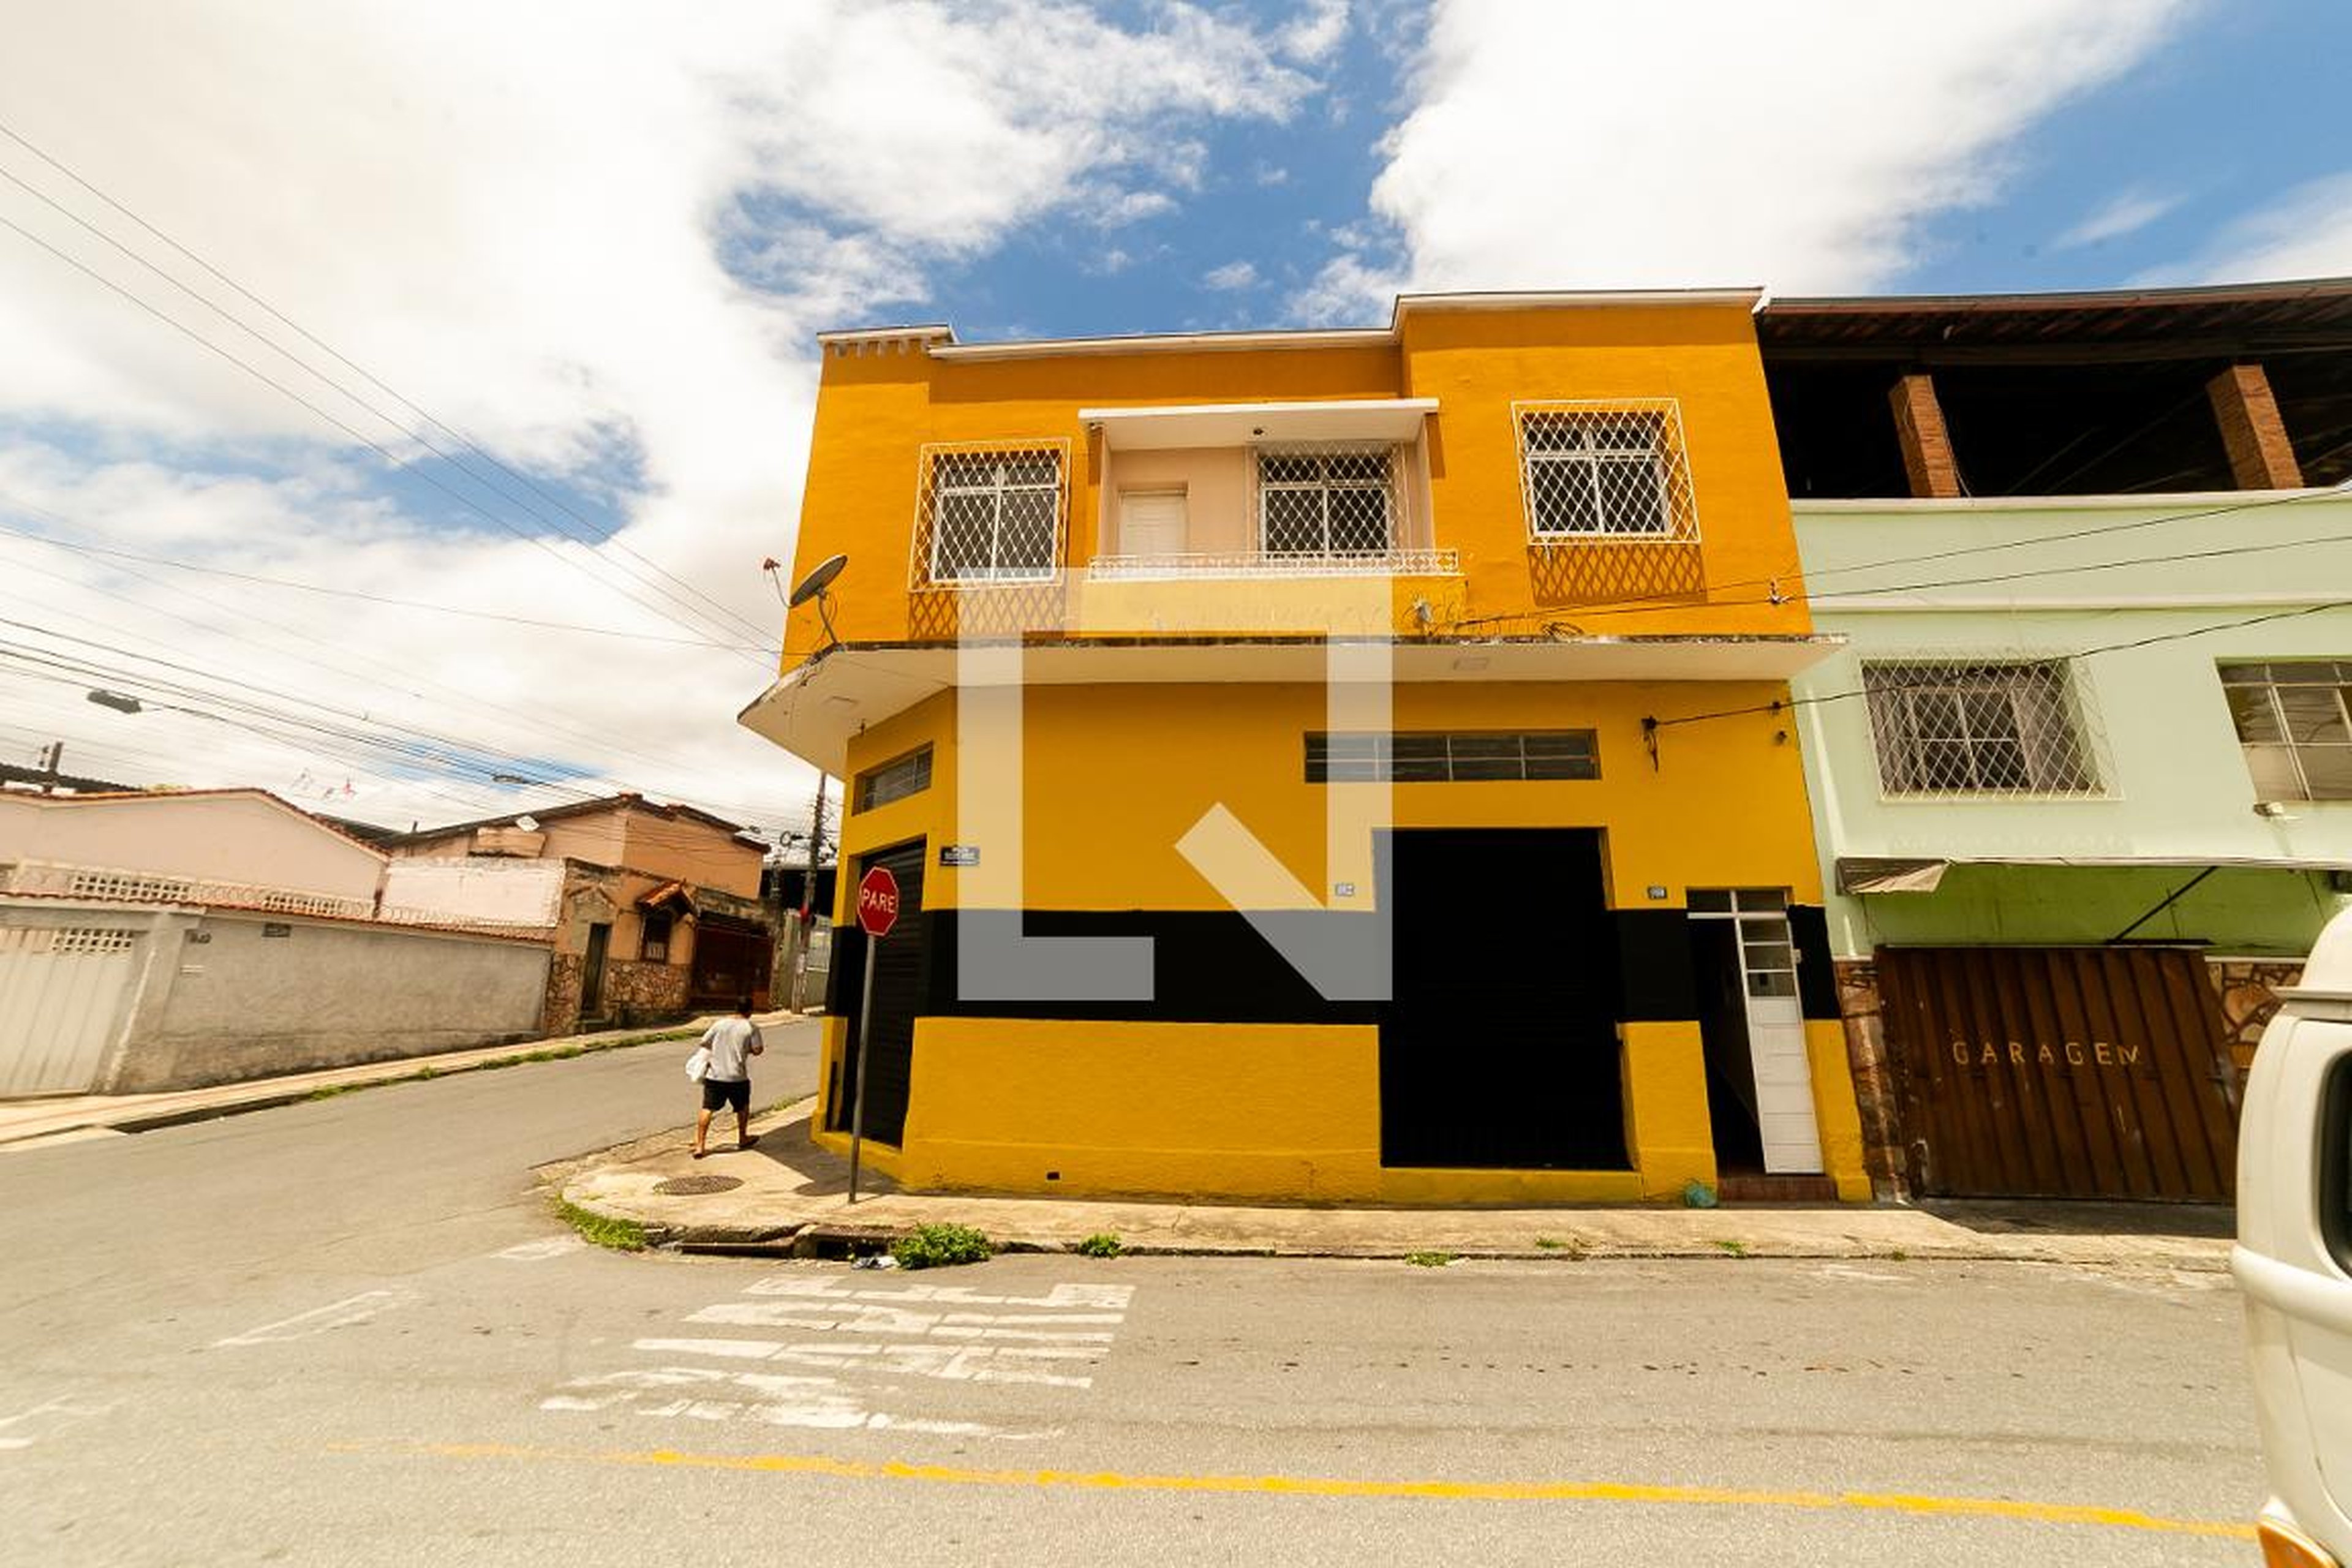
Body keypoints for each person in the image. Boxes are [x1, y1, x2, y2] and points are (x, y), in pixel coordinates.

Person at [691, 998, 765, 1158]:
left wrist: (718, 1050)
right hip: (737, 1077)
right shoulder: (751, 1027)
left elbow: (704, 1042)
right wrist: (746, 1049)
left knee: (707, 1108)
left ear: (736, 1008)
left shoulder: (719, 1024)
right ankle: (743, 1137)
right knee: (743, 1107)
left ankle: (700, 1146)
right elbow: (758, 1050)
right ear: (750, 1010)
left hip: (715, 1076)